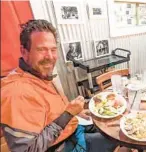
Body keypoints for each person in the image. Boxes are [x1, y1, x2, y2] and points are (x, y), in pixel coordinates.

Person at [1, 19, 117, 152]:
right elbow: (29, 149)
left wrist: (75, 114)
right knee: (115, 138)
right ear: (24, 51)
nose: (49, 56)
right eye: (41, 49)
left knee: (112, 126)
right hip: (64, 145)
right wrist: (67, 114)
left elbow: (47, 112)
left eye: (53, 49)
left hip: (72, 128)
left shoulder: (38, 74)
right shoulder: (16, 92)